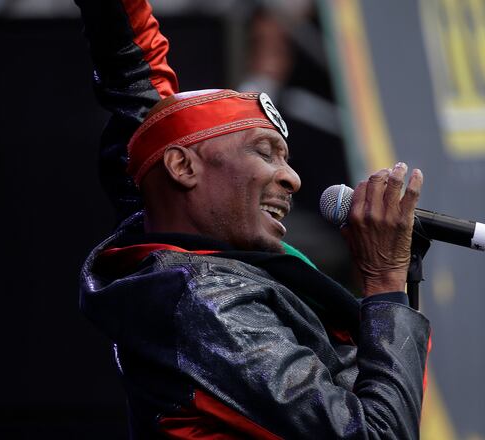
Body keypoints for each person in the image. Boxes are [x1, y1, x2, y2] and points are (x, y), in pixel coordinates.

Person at [75, 0, 431, 438]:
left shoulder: (167, 226)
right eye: (266, 153)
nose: (292, 178)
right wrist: (384, 284)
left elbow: (133, 76)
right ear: (183, 168)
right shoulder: (211, 305)